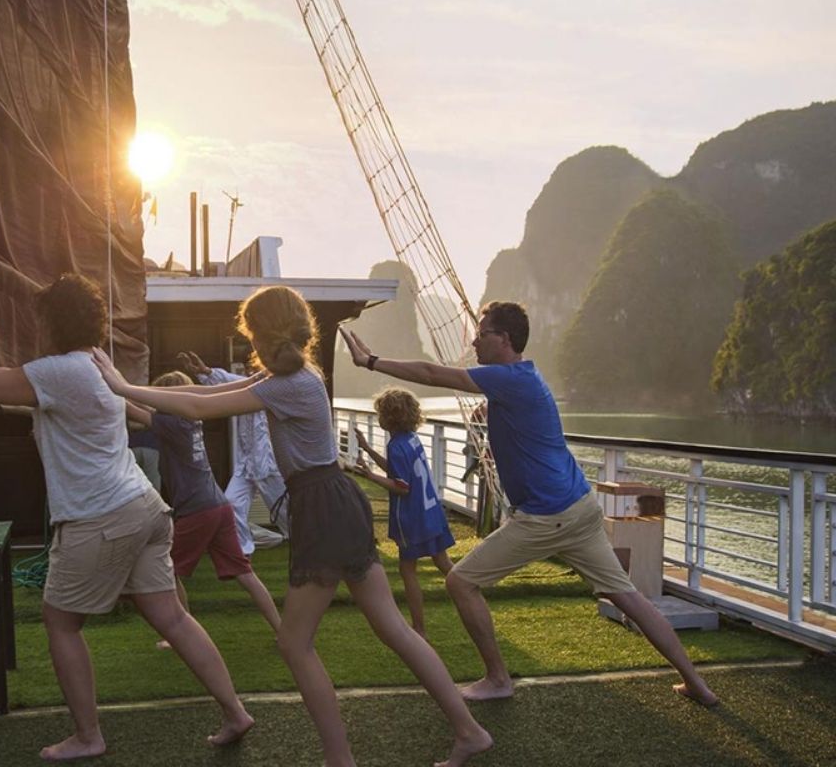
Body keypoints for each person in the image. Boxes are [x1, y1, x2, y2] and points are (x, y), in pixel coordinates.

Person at [92, 286, 492, 767]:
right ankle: (467, 731)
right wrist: (129, 387)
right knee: (393, 629)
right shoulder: (294, 378)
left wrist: (122, 387)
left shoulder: (290, 384)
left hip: (322, 505)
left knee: (295, 642)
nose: (249, 346)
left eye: (252, 336)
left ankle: (341, 758)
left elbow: (200, 408)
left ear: (264, 334)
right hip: (336, 501)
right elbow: (206, 392)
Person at [0, 273, 253, 761]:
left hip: (101, 514)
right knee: (172, 616)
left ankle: (88, 736)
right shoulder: (93, 363)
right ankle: (235, 711)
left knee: (60, 622)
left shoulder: (59, 370)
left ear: (52, 322)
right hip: (144, 506)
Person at [340, 301, 719, 708]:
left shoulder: (508, 379)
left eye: (482, 333)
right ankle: (697, 683)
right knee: (628, 596)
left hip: (547, 515)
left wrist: (371, 361)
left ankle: (498, 678)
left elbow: (433, 374)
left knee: (461, 582)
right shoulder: (524, 377)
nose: (474, 339)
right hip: (579, 506)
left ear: (503, 340)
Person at [125, 371, 281, 649]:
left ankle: (179, 634)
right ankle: (283, 629)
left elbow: (133, 411)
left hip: (198, 509)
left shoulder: (169, 423)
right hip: (219, 505)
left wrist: (106, 384)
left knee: (166, 569)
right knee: (245, 574)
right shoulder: (189, 420)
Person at [350, 387, 455, 638]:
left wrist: (369, 475)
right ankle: (472, 595)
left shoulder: (396, 445)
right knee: (443, 562)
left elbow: (401, 487)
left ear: (387, 417)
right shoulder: (411, 439)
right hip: (431, 512)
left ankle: (419, 627)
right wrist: (368, 448)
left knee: (407, 570)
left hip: (412, 517)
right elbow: (398, 472)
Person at [179, 350, 289, 550]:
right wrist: (205, 371)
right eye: (250, 369)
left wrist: (207, 372)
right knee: (231, 504)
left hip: (268, 464)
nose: (251, 371)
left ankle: (304, 540)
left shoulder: (273, 390)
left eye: (255, 368)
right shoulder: (247, 387)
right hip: (246, 463)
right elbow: (227, 383)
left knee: (285, 512)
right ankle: (243, 550)